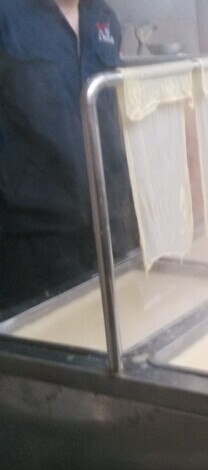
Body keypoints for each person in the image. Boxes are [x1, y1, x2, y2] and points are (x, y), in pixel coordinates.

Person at [0, 0, 137, 317]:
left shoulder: (104, 18)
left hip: (109, 229)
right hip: (34, 241)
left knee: (118, 330)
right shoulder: (7, 15)